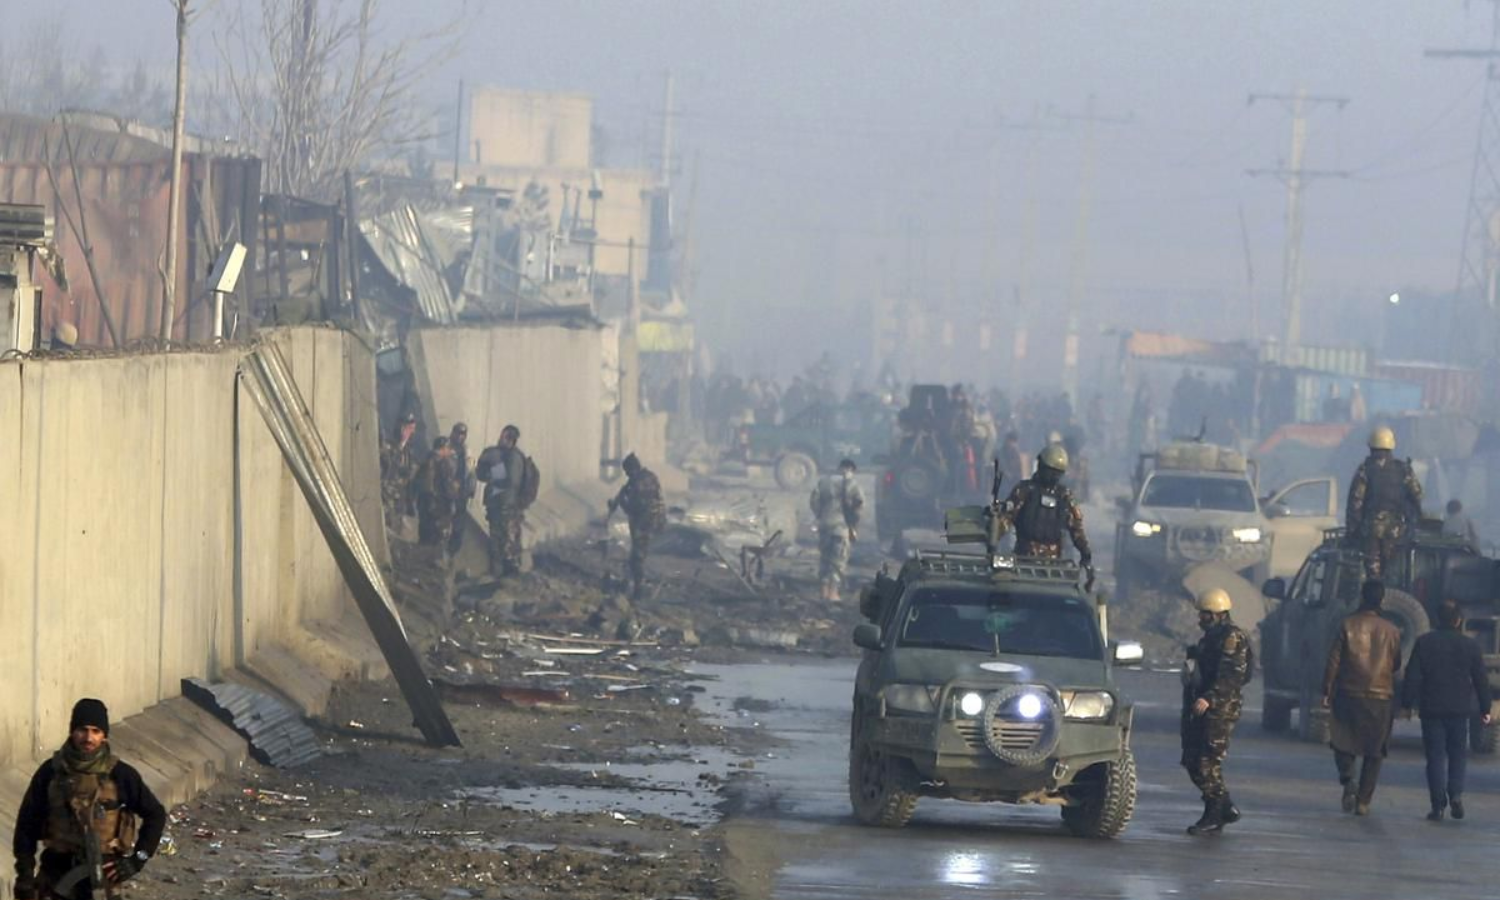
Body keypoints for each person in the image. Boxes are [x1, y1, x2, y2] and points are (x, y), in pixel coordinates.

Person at [12, 698, 167, 900]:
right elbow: (26, 825)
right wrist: (24, 876)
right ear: (72, 731)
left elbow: (156, 814)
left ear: (104, 736)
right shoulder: (50, 772)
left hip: (103, 882)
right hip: (55, 876)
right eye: (82, 730)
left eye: (96, 731)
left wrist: (137, 859)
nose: (88, 738)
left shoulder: (121, 775)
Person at [1402, 601, 1493, 821]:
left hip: (1432, 708)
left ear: (1436, 619)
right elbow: (1481, 680)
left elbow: (1413, 676)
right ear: (1458, 620)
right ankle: (1456, 795)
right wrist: (1485, 708)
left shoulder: (1424, 642)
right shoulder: (1470, 646)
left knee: (1435, 757)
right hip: (1459, 710)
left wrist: (1406, 703)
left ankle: (1437, 806)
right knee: (1458, 755)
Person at [1322, 580, 1403, 815]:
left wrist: (1327, 690)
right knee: (1375, 751)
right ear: (1382, 600)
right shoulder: (1392, 630)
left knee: (1341, 740)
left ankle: (1348, 779)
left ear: (1362, 596)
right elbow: (1396, 664)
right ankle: (1363, 801)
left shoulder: (1347, 624)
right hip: (1380, 697)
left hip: (1348, 693)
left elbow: (1334, 661)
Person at [1180, 588, 1251, 835]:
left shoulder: (1232, 638)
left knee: (1206, 761)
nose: (1201, 619)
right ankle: (1225, 807)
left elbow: (1232, 675)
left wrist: (1210, 697)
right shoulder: (1209, 639)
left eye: (1205, 614)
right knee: (1192, 760)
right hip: (1201, 707)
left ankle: (1214, 813)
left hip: (1220, 709)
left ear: (1218, 614)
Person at [986, 444, 1092, 569]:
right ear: (1041, 466)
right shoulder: (1025, 490)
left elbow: (1076, 528)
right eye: (1050, 471)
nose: (1052, 476)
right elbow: (1006, 518)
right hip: (1024, 559)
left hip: (1053, 564)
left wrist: (1085, 553)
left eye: (1056, 473)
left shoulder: (1064, 496)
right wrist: (993, 537)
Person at [1346, 426, 1423, 578]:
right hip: (1397, 531)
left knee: (1373, 576)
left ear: (1371, 447)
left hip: (1370, 532)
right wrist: (1413, 521)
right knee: (1395, 573)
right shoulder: (1403, 469)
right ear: (1391, 446)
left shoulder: (1365, 470)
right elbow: (1417, 496)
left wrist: (1352, 534)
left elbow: (1355, 503)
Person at [609, 452, 666, 601]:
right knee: (637, 556)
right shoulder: (650, 476)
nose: (627, 475)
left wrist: (621, 502)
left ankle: (638, 590)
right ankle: (632, 584)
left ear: (632, 469)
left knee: (637, 559)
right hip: (656, 521)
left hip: (644, 524)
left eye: (627, 472)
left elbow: (633, 509)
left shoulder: (637, 484)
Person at [477, 425, 529, 577]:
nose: (501, 439)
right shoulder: (510, 456)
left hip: (504, 506)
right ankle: (504, 572)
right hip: (504, 506)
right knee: (503, 539)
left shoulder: (506, 456)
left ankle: (505, 573)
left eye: (504, 436)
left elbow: (507, 481)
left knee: (503, 540)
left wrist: (494, 473)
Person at [810, 459, 864, 601]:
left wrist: (820, 515)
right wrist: (854, 524)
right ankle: (833, 593)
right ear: (850, 469)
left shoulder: (824, 482)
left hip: (824, 526)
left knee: (825, 558)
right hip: (841, 528)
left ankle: (823, 591)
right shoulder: (853, 485)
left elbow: (814, 501)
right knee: (838, 561)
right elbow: (859, 507)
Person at [414, 436, 460, 549]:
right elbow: (449, 488)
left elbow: (417, 482)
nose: (450, 451)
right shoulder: (444, 463)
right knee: (437, 540)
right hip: (438, 508)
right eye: (448, 448)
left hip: (424, 506)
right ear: (443, 448)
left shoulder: (426, 461)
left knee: (424, 537)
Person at [379, 412, 419, 522]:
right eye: (409, 428)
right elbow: (388, 471)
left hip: (398, 503)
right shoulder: (389, 447)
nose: (412, 432)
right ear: (402, 427)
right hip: (386, 499)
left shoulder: (409, 452)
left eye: (413, 429)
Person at [446, 423, 475, 557]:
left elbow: (471, 472)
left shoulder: (467, 452)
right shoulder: (445, 447)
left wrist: (470, 490)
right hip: (445, 491)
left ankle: (452, 551)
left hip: (461, 494)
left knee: (458, 524)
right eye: (457, 432)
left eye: (462, 434)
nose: (459, 436)